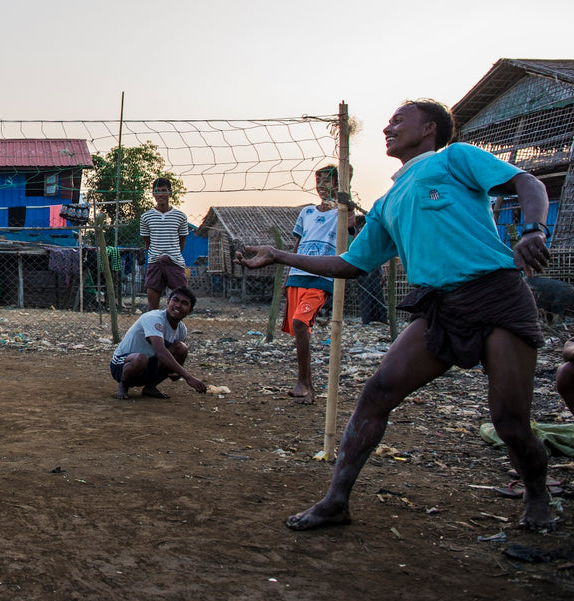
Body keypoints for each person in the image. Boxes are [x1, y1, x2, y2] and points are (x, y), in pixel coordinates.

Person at [236, 99, 555, 532]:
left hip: (496, 294)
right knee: (378, 392)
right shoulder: (388, 203)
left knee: (509, 419)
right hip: (439, 306)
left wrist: (534, 229)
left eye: (399, 120)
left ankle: (538, 497)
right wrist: (278, 255)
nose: (388, 127)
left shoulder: (454, 159)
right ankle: (335, 501)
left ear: (429, 129)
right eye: (388, 122)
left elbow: (528, 182)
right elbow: (351, 263)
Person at [282, 165, 341, 404]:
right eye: (319, 182)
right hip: (298, 275)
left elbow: (355, 226)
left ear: (337, 184)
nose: (322, 186)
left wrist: (341, 202)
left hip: (321, 276)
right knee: (300, 330)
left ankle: (302, 381)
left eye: (327, 181)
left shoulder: (342, 213)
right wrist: (288, 278)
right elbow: (297, 246)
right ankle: (310, 390)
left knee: (299, 322)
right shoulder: (306, 212)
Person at [110, 286, 208, 399]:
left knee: (181, 348)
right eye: (175, 300)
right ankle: (123, 387)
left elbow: (174, 356)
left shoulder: (181, 330)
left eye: (184, 303)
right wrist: (188, 377)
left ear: (190, 311)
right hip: (122, 365)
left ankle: (150, 387)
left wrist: (175, 372)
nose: (178, 305)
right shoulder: (154, 318)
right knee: (141, 358)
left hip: (148, 365)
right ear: (168, 302)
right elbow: (160, 351)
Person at [140, 177, 191, 311]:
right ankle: (155, 330)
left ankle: (175, 330)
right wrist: (157, 254)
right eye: (157, 191)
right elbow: (147, 242)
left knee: (180, 303)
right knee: (153, 306)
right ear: (153, 195)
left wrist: (172, 254)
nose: (160, 194)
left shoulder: (180, 216)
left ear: (170, 193)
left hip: (175, 262)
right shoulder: (146, 217)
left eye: (164, 190)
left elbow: (182, 241)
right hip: (155, 261)